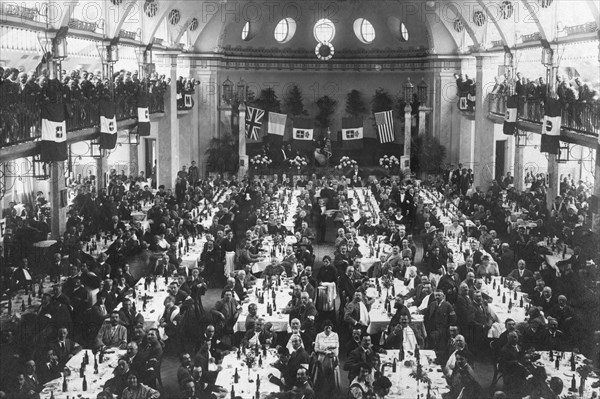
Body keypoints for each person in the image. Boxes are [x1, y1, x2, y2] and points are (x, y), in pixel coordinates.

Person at [313, 320, 340, 394]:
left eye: (329, 328)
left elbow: (337, 348)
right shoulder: (319, 335)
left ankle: (331, 390)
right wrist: (324, 352)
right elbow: (316, 349)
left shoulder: (335, 335)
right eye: (326, 328)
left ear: (331, 328)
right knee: (321, 375)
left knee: (331, 376)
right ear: (323, 328)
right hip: (322, 358)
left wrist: (333, 354)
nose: (328, 330)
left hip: (331, 358)